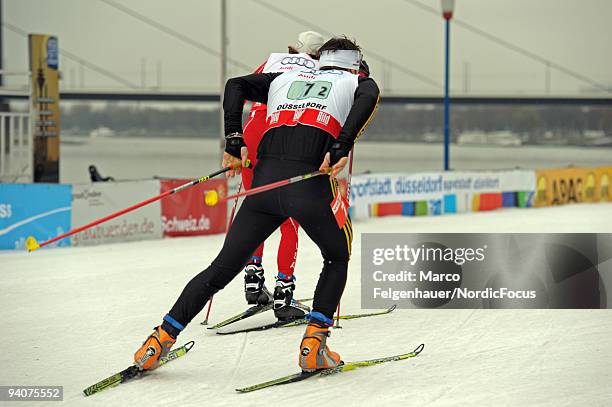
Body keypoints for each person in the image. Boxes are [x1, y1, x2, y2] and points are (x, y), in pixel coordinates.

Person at [134, 37, 380, 372]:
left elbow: (235, 85)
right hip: (309, 186)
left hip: (264, 186)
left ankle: (159, 340)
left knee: (220, 269)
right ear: (355, 62)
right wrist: (341, 146)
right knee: (336, 257)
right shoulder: (356, 82)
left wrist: (234, 139)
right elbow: (369, 96)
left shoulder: (284, 77)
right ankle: (314, 345)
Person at [241, 31, 325, 322]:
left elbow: (243, 91)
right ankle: (283, 295)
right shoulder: (316, 71)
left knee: (255, 210)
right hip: (276, 139)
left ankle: (253, 279)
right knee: (289, 220)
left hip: (249, 135)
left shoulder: (271, 62)